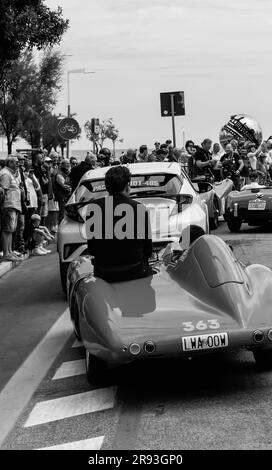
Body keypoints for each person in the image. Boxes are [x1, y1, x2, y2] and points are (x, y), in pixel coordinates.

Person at [86, 165, 153, 282]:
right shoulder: (139, 208)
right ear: (127, 186)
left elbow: (92, 248)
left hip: (103, 273)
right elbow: (147, 249)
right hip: (134, 272)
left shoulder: (93, 207)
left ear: (107, 187)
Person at [0, 156, 22, 261]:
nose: (18, 164)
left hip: (13, 205)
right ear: (10, 163)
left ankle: (9, 251)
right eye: (16, 162)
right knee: (7, 229)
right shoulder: (5, 173)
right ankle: (6, 253)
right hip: (8, 204)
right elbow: (3, 191)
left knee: (11, 230)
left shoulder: (10, 173)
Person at [53, 159, 71, 223]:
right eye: (66, 163)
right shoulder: (59, 174)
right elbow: (66, 187)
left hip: (67, 197)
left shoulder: (68, 172)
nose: (68, 165)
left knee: (67, 214)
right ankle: (60, 227)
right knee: (62, 214)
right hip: (62, 197)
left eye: (69, 163)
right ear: (62, 165)